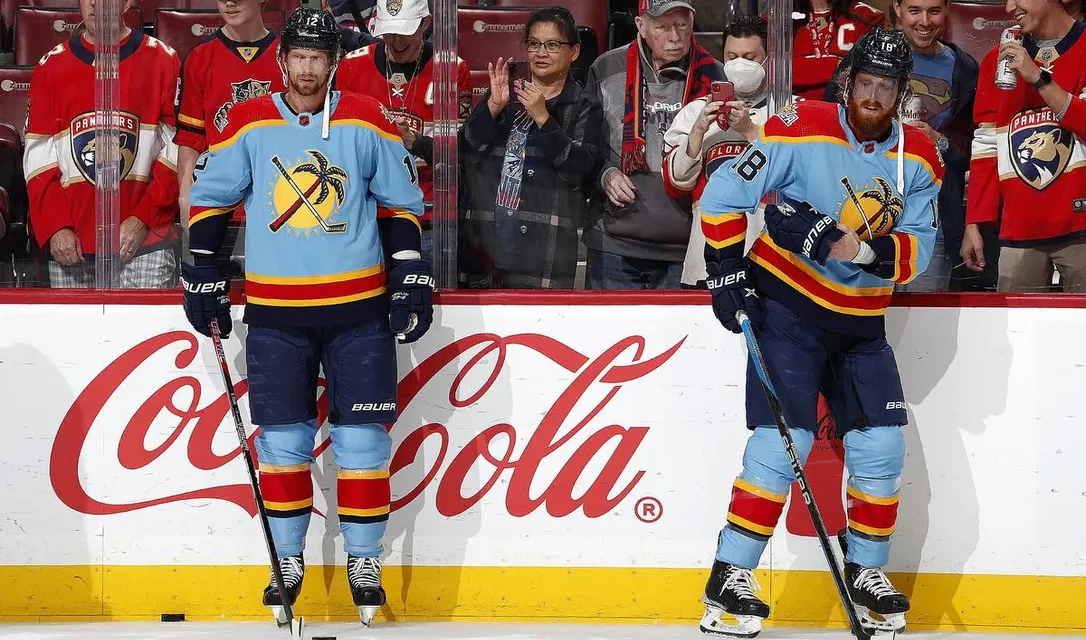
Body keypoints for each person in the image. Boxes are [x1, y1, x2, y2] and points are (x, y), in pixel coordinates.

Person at [180, 8, 431, 627]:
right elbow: (211, 196)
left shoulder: (367, 117)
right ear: (283, 59)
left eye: (320, 56)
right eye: (299, 55)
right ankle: (286, 562)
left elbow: (400, 202)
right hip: (276, 313)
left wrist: (409, 274)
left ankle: (364, 562)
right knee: (285, 444)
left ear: (333, 61)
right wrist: (204, 267)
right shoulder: (247, 119)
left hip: (358, 312)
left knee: (364, 444)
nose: (309, 66)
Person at [695, 28, 942, 637]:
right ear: (848, 81)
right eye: (866, 83)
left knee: (881, 448)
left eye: (887, 86)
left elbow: (921, 252)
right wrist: (727, 272)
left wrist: (854, 247)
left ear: (900, 92)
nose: (874, 96)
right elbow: (724, 194)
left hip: (861, 321)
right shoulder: (799, 122)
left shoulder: (921, 157)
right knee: (786, 442)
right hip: (788, 310)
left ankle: (866, 574)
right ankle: (730, 577)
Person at [823, 0, 979, 292]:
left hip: (931, 216)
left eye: (933, 11)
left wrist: (939, 141)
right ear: (897, 8)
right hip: (862, 208)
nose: (924, 21)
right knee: (862, 311)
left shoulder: (964, 68)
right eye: (914, 10)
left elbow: (973, 147)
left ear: (947, 10)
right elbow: (831, 122)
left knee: (925, 317)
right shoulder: (867, 53)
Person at [23, 0, 181, 288]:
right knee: (74, 335)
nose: (96, 4)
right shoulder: (50, 67)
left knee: (144, 333)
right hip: (72, 245)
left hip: (146, 239)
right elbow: (38, 158)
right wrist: (57, 226)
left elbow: (177, 150)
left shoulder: (164, 60)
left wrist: (143, 218)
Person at [459, 6, 605, 289]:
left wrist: (543, 118)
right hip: (485, 241)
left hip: (544, 247)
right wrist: (492, 107)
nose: (541, 53)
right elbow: (465, 149)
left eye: (552, 45)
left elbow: (579, 169)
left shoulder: (584, 106)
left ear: (573, 51)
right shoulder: (505, 94)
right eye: (534, 44)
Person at [582, 0, 724, 290]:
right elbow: (585, 146)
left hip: (687, 247)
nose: (674, 37)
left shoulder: (717, 77)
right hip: (614, 245)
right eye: (662, 27)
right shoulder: (607, 68)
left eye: (682, 25)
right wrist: (605, 174)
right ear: (641, 26)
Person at [962, 0, 1086, 292]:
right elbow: (986, 145)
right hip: (1019, 228)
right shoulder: (997, 59)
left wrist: (1038, 79)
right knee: (1015, 334)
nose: (1008, 7)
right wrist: (975, 222)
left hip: (1081, 227)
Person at [336, 0, 471, 258]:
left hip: (430, 212)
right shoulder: (352, 67)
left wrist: (415, 142)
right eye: (389, 32)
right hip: (369, 213)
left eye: (405, 31)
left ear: (425, 23)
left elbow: (461, 153)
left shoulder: (452, 68)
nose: (396, 42)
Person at [663, 16, 782, 287]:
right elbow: (675, 182)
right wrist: (697, 134)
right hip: (705, 263)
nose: (740, 64)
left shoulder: (790, 112)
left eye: (750, 57)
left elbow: (799, 177)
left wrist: (749, 130)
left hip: (773, 260)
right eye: (732, 56)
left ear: (769, 59)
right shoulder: (695, 111)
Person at [175, 0, 286, 228]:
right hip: (216, 206)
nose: (229, 2)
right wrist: (185, 198)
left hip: (280, 201)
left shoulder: (289, 57)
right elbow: (191, 137)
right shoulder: (199, 58)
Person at [793, 0, 886, 100]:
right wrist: (836, 64)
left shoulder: (867, 16)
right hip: (788, 109)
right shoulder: (780, 16)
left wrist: (799, 69)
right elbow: (776, 72)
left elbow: (862, 73)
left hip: (843, 109)